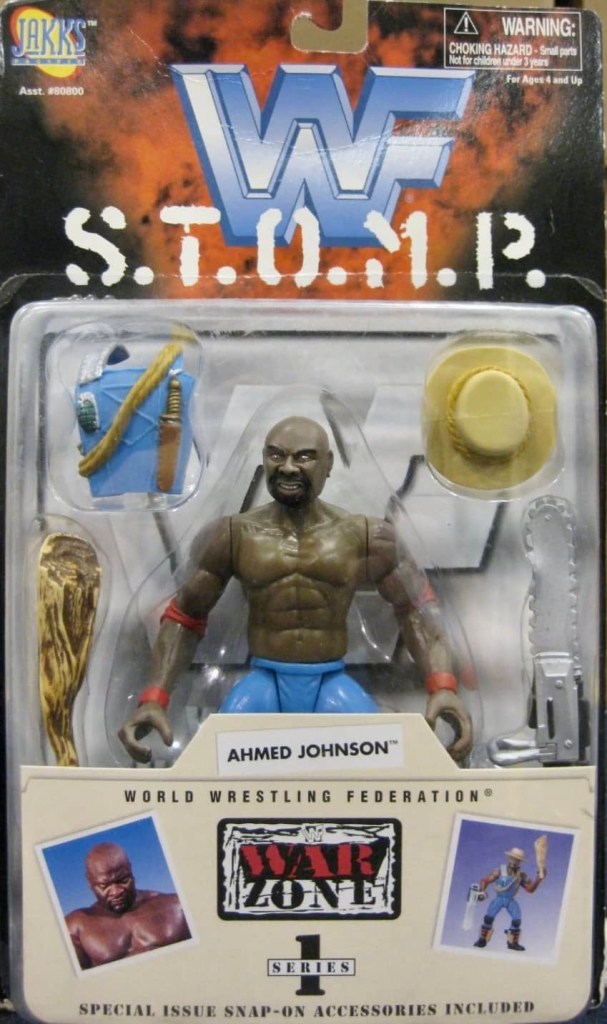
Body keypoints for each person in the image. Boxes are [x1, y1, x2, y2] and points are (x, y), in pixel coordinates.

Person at [119, 416, 472, 762]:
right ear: (263, 459)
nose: (288, 468)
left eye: (304, 457)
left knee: (377, 767)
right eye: (276, 455)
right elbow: (185, 616)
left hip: (331, 684)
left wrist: (443, 686)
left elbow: (416, 609)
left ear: (328, 464)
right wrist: (154, 699)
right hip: (262, 684)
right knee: (217, 767)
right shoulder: (232, 536)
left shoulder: (366, 536)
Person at [65, 842, 190, 969]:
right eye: (104, 885)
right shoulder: (76, 926)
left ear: (130, 869)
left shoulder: (177, 904)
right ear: (89, 881)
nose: (116, 892)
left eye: (123, 880)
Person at [473, 846, 545, 952]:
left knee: (517, 920)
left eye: (517, 859)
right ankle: (482, 939)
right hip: (499, 898)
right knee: (488, 918)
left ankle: (513, 942)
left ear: (520, 862)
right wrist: (481, 891)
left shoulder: (521, 876)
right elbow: (485, 880)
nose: (514, 861)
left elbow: (530, 889)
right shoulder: (499, 871)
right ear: (508, 858)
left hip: (510, 900)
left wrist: (538, 879)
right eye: (512, 858)